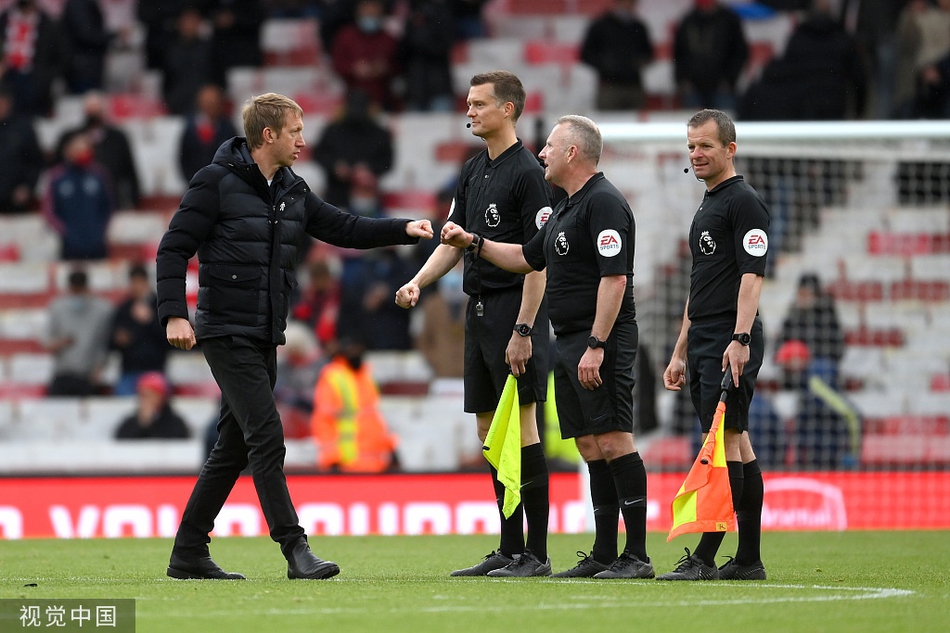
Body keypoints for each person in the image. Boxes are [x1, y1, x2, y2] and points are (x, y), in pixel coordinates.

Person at [156, 92, 432, 581]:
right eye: (296, 131)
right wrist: (175, 314)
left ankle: (188, 551)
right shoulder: (215, 182)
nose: (304, 140)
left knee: (235, 445)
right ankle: (294, 549)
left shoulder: (291, 188)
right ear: (269, 135)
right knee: (266, 436)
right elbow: (173, 249)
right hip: (224, 329)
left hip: (265, 332)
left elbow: (343, 227)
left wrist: (403, 228)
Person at [440, 114, 653, 580]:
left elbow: (615, 279)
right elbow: (525, 257)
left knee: (615, 438)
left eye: (551, 146)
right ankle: (603, 552)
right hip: (569, 338)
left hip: (601, 339)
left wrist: (597, 343)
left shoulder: (605, 203)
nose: (542, 153)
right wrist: (474, 241)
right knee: (590, 444)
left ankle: (636, 555)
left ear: (573, 152)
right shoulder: (566, 206)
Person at [395, 70, 553, 578]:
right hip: (479, 309)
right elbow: (452, 239)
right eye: (468, 103)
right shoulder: (471, 170)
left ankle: (537, 552)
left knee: (523, 427)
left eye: (479, 104)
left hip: (513, 311)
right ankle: (508, 549)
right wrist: (419, 281)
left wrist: (525, 329)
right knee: (489, 429)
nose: (470, 112)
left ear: (508, 109)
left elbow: (538, 259)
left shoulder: (529, 173)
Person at [659, 108, 769, 582]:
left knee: (721, 444)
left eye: (705, 145)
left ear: (730, 148)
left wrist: (740, 338)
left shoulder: (744, 202)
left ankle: (705, 557)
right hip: (704, 336)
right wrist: (681, 347)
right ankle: (748, 560)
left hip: (730, 335)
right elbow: (700, 282)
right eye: (690, 146)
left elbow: (752, 275)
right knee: (736, 443)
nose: (696, 154)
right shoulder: (709, 203)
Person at [311, 335, 398, 472]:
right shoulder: (333, 376)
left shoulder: (367, 377)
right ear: (344, 352)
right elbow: (323, 420)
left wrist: (391, 449)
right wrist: (332, 458)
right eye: (352, 350)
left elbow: (375, 417)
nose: (356, 353)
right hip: (347, 466)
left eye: (359, 349)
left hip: (376, 465)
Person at [55, 91, 141, 210]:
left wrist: (133, 199)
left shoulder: (117, 138)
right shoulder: (70, 137)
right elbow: (57, 171)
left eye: (97, 109)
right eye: (90, 109)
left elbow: (129, 171)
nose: (93, 113)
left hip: (112, 199)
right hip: (77, 200)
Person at [312, 88, 393, 209]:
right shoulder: (332, 130)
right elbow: (319, 154)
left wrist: (369, 169)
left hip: (367, 195)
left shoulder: (380, 133)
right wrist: (335, 166)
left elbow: (387, 161)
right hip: (336, 193)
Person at [43, 132, 113, 261]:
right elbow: (49, 211)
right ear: (67, 151)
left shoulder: (99, 174)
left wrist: (99, 229)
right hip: (69, 246)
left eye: (85, 148)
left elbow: (107, 207)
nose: (83, 152)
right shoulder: (56, 176)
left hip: (97, 244)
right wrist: (67, 232)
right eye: (78, 148)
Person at [45, 268, 113, 397]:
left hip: (88, 376)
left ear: (86, 288)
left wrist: (99, 367)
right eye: (74, 291)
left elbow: (105, 343)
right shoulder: (58, 307)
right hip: (62, 374)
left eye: (79, 291)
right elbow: (48, 342)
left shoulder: (102, 310)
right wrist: (61, 343)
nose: (76, 295)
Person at [672, 0, 748, 111]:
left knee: (724, 125)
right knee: (695, 126)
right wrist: (683, 80)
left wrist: (729, 80)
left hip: (722, 89)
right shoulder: (688, 20)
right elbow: (679, 54)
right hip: (694, 88)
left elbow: (740, 52)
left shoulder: (729, 20)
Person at [579, 0, 654, 112]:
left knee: (637, 125)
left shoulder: (639, 27)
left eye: (631, 3)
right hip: (609, 86)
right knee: (607, 123)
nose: (628, 6)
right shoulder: (600, 25)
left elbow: (648, 53)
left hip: (633, 85)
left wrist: (639, 63)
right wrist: (605, 65)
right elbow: (586, 54)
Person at [330, 0, 401, 112]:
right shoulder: (346, 37)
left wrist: (385, 68)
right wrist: (353, 69)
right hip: (353, 98)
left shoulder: (389, 39)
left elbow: (399, 65)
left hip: (383, 99)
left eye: (374, 10)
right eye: (366, 10)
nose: (370, 13)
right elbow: (337, 63)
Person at [110, 264, 169, 396]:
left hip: (154, 370)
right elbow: (111, 341)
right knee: (123, 408)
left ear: (145, 282)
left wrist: (150, 321)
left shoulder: (159, 306)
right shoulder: (124, 308)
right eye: (133, 283)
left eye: (139, 282)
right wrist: (119, 340)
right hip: (129, 370)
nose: (136, 287)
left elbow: (168, 338)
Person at [776, 272, 844, 385]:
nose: (802, 298)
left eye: (806, 294)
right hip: (792, 370)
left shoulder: (827, 316)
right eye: (800, 293)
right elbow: (779, 345)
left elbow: (837, 349)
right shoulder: (792, 316)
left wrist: (806, 359)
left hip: (818, 369)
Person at [0, 0, 60, 117]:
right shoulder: (4, 19)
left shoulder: (46, 23)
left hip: (33, 79)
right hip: (8, 77)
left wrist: (45, 78)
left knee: (30, 118)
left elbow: (59, 56)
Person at [178, 84, 239, 184]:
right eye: (207, 103)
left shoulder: (228, 127)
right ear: (199, 103)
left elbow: (236, 156)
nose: (210, 106)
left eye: (213, 102)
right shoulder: (190, 128)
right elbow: (184, 158)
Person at [0, 86, 43, 214]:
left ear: (9, 103)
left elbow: (36, 161)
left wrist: (27, 186)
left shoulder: (23, 128)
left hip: (14, 199)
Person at [114, 372, 191, 439]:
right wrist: (142, 424)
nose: (145, 400)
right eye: (142, 395)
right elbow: (121, 444)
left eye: (149, 395)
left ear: (161, 397)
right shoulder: (130, 423)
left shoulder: (176, 423)